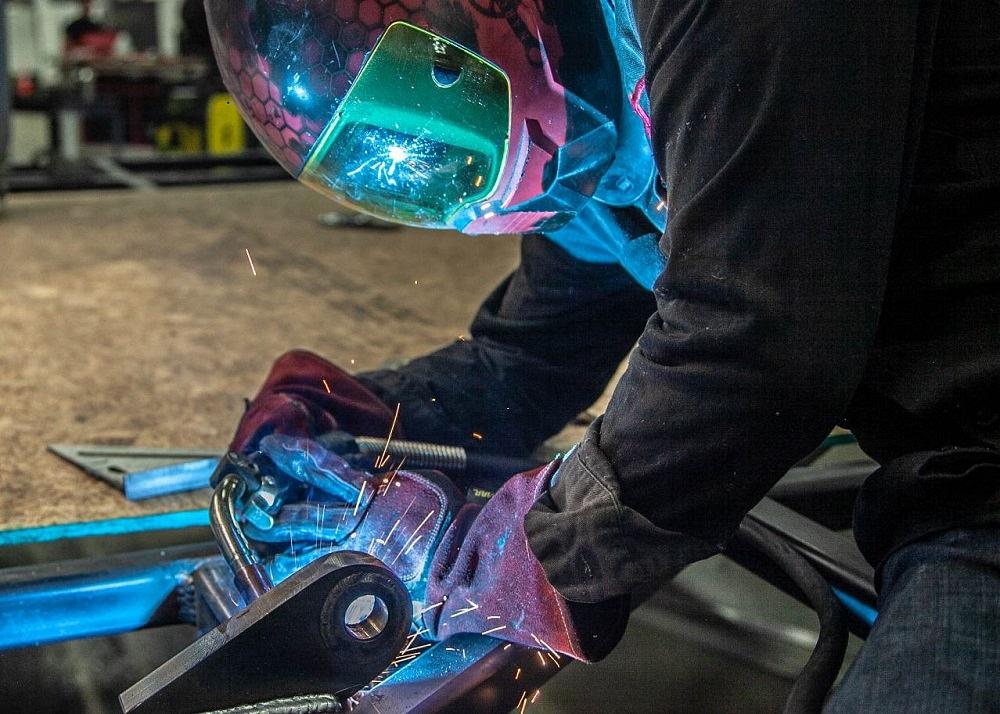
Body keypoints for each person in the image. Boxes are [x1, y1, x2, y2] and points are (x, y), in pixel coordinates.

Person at [205, 1, 1000, 709]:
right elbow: (537, 352)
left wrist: (520, 564)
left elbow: (754, 343)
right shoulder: (596, 97)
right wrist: (362, 415)